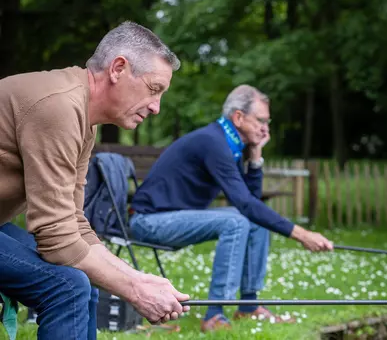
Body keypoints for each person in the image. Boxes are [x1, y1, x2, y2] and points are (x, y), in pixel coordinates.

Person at [0, 21, 190, 340]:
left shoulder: (84, 119)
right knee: (66, 287)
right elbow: (54, 236)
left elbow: (72, 223)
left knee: (78, 281)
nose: (157, 107)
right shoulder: (58, 105)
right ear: (118, 68)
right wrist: (135, 289)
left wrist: (137, 278)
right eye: (154, 89)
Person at [129, 85, 334, 332]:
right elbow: (246, 205)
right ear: (238, 117)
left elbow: (251, 203)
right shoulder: (213, 143)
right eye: (260, 120)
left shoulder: (227, 142)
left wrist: (256, 157)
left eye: (267, 122)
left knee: (254, 221)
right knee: (235, 222)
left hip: (174, 217)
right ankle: (215, 314)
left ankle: (248, 306)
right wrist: (302, 235)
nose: (265, 128)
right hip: (149, 221)